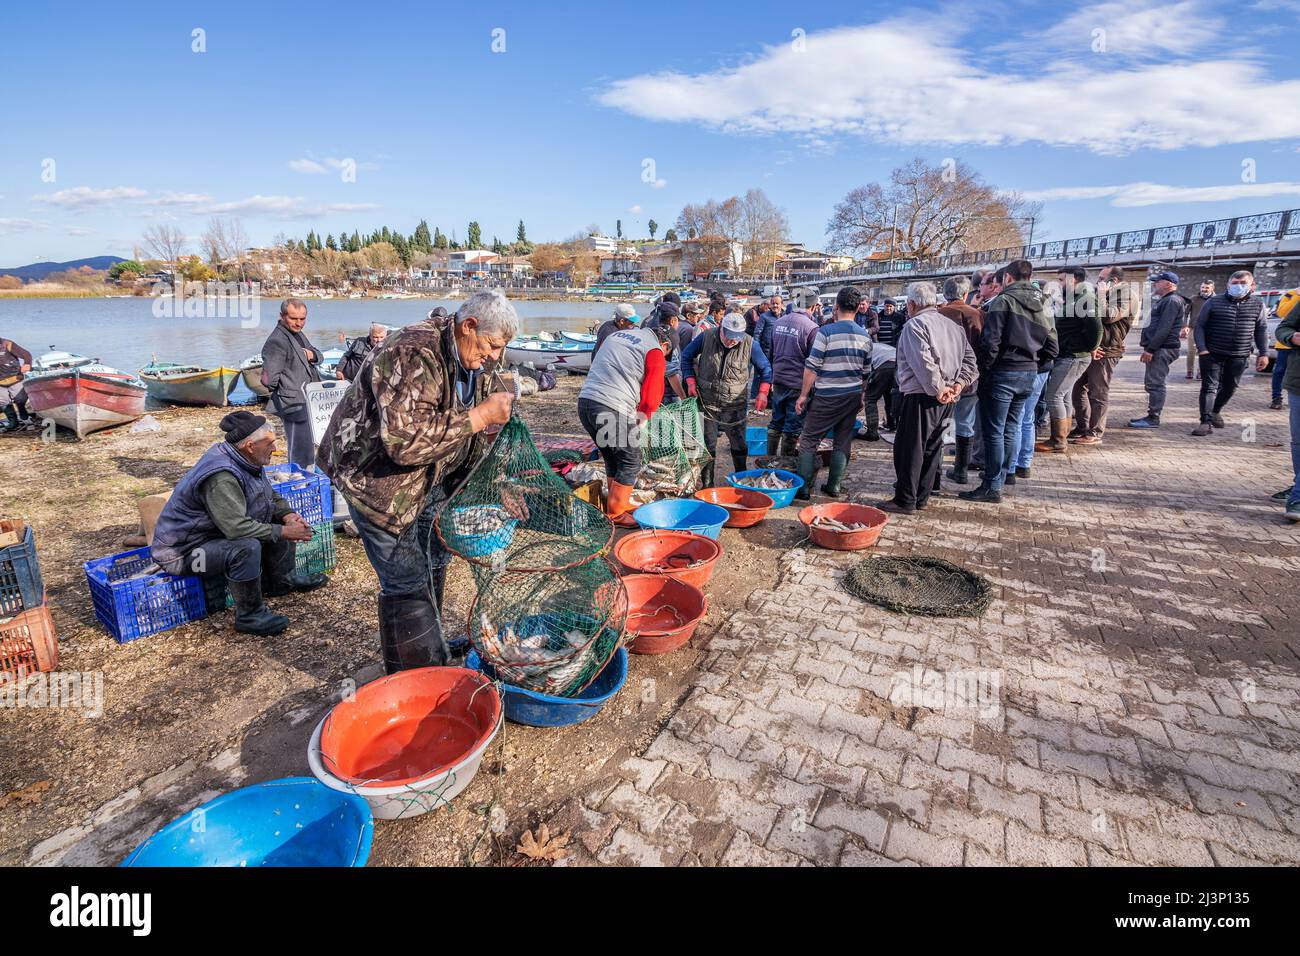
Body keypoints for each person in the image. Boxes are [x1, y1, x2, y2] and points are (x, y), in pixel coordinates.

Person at [317, 290, 518, 673]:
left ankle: (432, 644)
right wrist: (478, 417)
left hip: (429, 481)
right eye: (492, 346)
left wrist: (496, 479)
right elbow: (404, 443)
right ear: (468, 326)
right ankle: (412, 672)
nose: (494, 356)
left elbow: (478, 428)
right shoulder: (411, 352)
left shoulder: (475, 358)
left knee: (435, 559)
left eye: (500, 349)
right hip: (374, 482)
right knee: (405, 579)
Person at [151, 411, 326, 637]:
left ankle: (282, 581)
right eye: (270, 443)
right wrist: (284, 531)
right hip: (186, 556)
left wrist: (287, 515)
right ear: (250, 446)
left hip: (212, 539)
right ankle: (249, 615)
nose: (275, 448)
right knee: (246, 546)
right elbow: (235, 528)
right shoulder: (221, 476)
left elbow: (268, 496)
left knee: (273, 519)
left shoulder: (246, 458)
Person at [960, 260, 1058, 504]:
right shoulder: (1044, 302)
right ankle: (1004, 476)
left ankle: (992, 486)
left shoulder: (1004, 300)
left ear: (1008, 279)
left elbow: (990, 342)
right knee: (1011, 427)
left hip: (1003, 372)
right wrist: (1036, 363)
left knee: (994, 431)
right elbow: (1053, 345)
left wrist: (985, 369)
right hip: (1029, 372)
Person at [879, 282, 977, 514]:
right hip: (946, 398)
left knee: (910, 448)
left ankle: (906, 499)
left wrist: (941, 388)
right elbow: (971, 363)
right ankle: (920, 496)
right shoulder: (953, 326)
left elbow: (924, 363)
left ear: (911, 304)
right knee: (933, 446)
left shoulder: (915, 325)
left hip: (922, 396)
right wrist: (957, 385)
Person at [579, 323, 674, 525]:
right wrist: (642, 420)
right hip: (611, 406)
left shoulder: (618, 335)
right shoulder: (654, 350)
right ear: (664, 344)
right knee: (631, 459)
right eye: (667, 353)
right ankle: (616, 513)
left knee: (613, 455)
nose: (665, 358)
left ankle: (617, 503)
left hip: (586, 402)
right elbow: (652, 396)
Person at [795, 286, 873, 499]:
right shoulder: (864, 336)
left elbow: (812, 366)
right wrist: (862, 397)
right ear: (858, 308)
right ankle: (834, 486)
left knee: (809, 439)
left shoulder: (825, 332)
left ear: (836, 307)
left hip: (826, 396)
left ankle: (802, 489)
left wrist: (803, 395)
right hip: (851, 396)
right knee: (843, 440)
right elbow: (866, 372)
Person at [681, 312, 772, 487]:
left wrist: (763, 391)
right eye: (729, 337)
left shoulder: (749, 343)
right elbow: (686, 357)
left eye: (736, 338)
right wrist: (690, 380)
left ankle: (742, 478)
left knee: (739, 443)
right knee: (708, 444)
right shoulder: (706, 336)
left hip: (735, 404)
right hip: (707, 402)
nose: (732, 341)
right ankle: (708, 484)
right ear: (721, 328)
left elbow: (766, 369)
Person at [1191, 270, 1268, 436]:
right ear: (1228, 285)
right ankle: (1205, 422)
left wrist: (1264, 353)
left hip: (1239, 355)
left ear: (1252, 286)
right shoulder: (1213, 302)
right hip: (1212, 353)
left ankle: (1215, 410)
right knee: (1209, 387)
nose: (1238, 287)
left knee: (1230, 387)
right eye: (1235, 283)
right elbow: (1200, 326)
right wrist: (1202, 348)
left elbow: (1261, 329)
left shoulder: (1258, 304)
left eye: (1243, 283)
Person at [1070, 265, 1140, 446]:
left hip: (1107, 351)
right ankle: (1083, 426)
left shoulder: (1127, 295)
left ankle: (1095, 432)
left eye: (1101, 278)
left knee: (1098, 392)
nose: (1098, 282)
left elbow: (1109, 316)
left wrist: (1101, 296)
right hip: (1094, 349)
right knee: (1078, 389)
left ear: (1113, 280)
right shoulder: (1106, 293)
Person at [1036, 267, 1099, 450]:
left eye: (1062, 280)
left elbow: (1096, 327)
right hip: (1069, 354)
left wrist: (1091, 347)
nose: (1059, 284)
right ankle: (1061, 435)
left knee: (1053, 395)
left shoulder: (1085, 300)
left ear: (1074, 280)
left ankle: (1058, 440)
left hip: (1073, 356)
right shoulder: (1075, 300)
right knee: (1063, 396)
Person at [261, 298, 323, 468]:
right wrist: (287, 389)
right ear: (282, 316)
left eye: (302, 319)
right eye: (293, 318)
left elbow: (318, 354)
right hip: (292, 403)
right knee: (300, 451)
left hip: (308, 401)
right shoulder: (277, 341)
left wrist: (312, 355)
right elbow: (269, 379)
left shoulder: (297, 334)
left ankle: (307, 479)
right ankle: (300, 484)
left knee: (309, 448)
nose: (298, 323)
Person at [937, 277, 984, 482]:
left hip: (943, 381)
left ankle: (935, 473)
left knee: (941, 426)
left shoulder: (937, 315)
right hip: (970, 380)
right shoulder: (978, 315)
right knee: (966, 423)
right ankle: (961, 471)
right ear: (965, 294)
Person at [1128, 272, 1188, 430]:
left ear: (1168, 284)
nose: (1154, 284)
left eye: (1158, 282)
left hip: (1162, 349)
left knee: (1155, 384)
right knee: (1152, 383)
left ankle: (1153, 418)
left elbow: (1164, 328)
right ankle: (1151, 415)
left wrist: (1150, 349)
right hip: (1160, 348)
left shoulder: (1172, 301)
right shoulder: (1167, 300)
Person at [766, 296, 819, 456]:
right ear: (814, 307)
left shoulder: (778, 322)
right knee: (793, 426)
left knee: (776, 421)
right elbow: (813, 363)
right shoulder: (812, 328)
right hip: (798, 384)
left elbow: (771, 353)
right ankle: (785, 464)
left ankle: (770, 458)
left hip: (779, 380)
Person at [1274, 301, 1300, 521]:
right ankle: (1297, 486)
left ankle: (1298, 497)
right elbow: (1283, 327)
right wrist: (1291, 337)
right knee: (1298, 441)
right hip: (1298, 383)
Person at [859, 341, 897, 441]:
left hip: (883, 366)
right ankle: (892, 423)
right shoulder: (880, 346)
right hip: (898, 365)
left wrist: (862, 393)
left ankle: (872, 432)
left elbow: (865, 373)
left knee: (870, 398)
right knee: (890, 397)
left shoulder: (864, 348)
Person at [1269, 288, 1298, 409]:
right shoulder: (1290, 294)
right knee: (1279, 370)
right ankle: (1277, 398)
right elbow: (1282, 313)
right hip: (1286, 343)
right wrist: (1297, 296)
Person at [0, 338, 35, 432]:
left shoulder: (7, 343)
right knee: (3, 402)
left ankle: (24, 415)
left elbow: (26, 354)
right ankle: (13, 422)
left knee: (20, 399)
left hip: (15, 378)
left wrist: (27, 364)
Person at [1184, 280, 1215, 380]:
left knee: (1205, 351)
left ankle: (1201, 372)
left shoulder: (1216, 299)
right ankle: (1189, 371)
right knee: (1191, 351)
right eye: (1202, 287)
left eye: (1207, 288)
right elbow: (1184, 313)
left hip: (1209, 330)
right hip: (1194, 328)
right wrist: (1185, 326)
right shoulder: (1193, 299)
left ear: (1212, 288)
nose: (1204, 289)